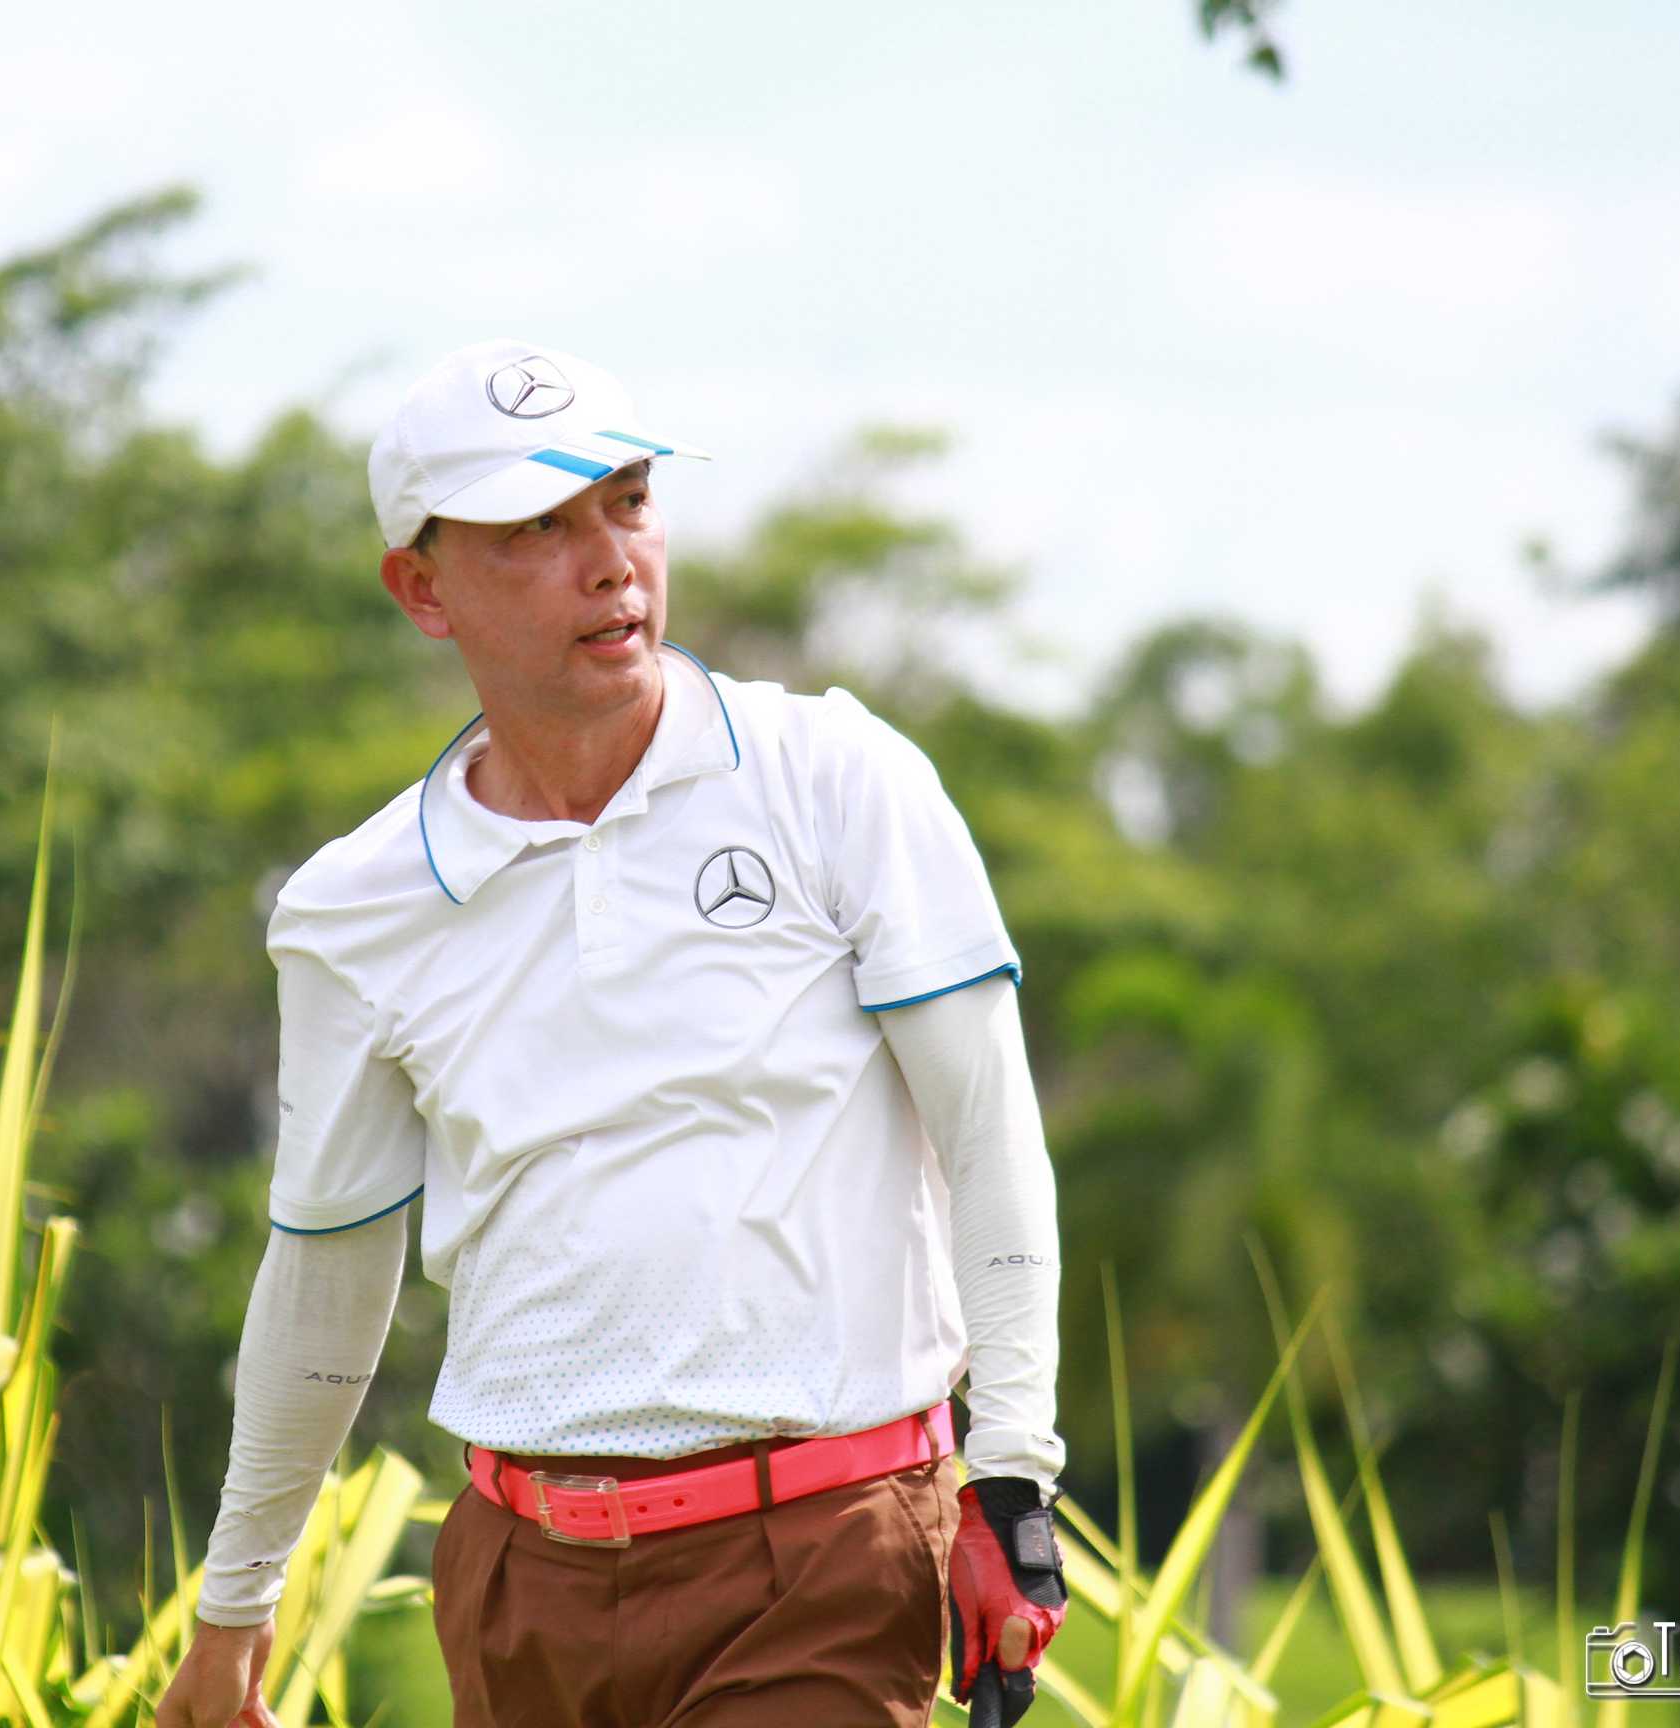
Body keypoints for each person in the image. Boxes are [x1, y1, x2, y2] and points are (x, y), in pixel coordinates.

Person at [156, 339, 1070, 1728]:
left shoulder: (836, 778)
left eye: (628, 503)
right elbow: (327, 1273)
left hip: (821, 1557)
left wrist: (1011, 1480)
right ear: (422, 588)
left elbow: (990, 1137)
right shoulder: (354, 908)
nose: (609, 563)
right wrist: (236, 1606)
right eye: (536, 528)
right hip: (518, 1586)